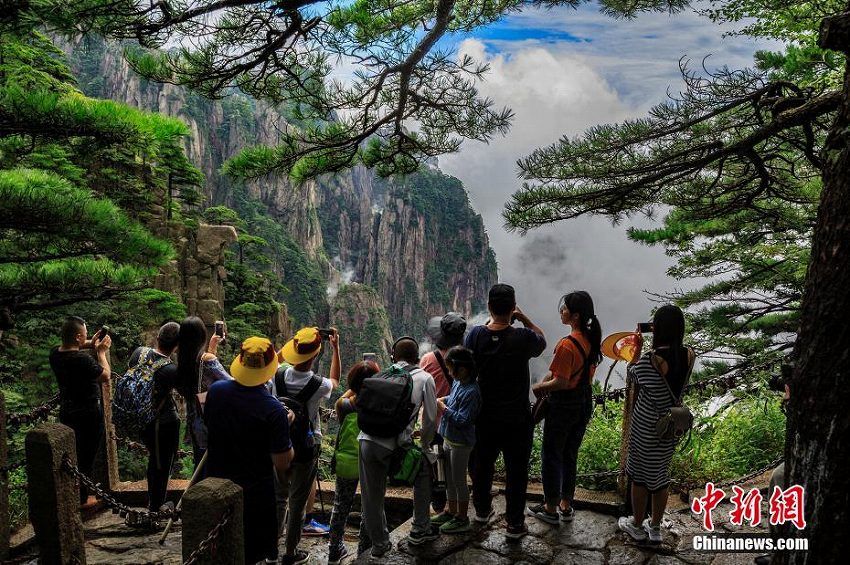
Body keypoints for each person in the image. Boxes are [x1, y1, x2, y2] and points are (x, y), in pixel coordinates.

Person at [465, 283, 546, 540]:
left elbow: (468, 364)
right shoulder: (522, 338)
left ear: (489, 307)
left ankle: (481, 511)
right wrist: (523, 319)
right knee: (517, 471)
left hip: (485, 417)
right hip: (517, 419)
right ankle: (514, 523)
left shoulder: (476, 335)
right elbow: (541, 339)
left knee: (482, 465)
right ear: (513, 308)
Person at [204, 336, 294, 565]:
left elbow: (211, 425)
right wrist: (286, 425)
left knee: (219, 550)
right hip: (254, 495)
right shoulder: (273, 411)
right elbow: (282, 462)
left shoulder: (216, 391)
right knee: (250, 554)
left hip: (216, 483)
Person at [618, 305, 695, 544]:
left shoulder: (650, 361)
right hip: (671, 425)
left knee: (640, 477)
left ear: (658, 329)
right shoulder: (689, 355)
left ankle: (637, 525)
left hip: (647, 426)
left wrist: (638, 350)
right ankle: (656, 527)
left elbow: (632, 375)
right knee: (660, 476)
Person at [358, 337, 438, 558]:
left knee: (371, 496)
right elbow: (430, 419)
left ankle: (379, 545)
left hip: (366, 439)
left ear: (393, 356)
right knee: (423, 472)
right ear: (417, 358)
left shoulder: (382, 374)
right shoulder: (425, 377)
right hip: (395, 445)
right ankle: (420, 529)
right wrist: (424, 446)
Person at [528, 291, 602, 525]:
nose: (561, 311)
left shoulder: (567, 344)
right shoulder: (590, 340)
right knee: (570, 453)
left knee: (551, 454)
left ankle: (550, 508)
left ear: (576, 316)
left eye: (565, 308)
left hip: (564, 404)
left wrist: (539, 386)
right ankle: (566, 504)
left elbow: (560, 381)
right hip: (584, 401)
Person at [273, 327, 340, 565]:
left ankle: (272, 552)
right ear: (314, 357)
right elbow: (336, 380)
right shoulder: (318, 384)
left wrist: (293, 345)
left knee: (279, 498)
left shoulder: (276, 375)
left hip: (279, 444)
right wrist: (335, 348)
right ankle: (291, 553)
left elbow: (273, 361)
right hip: (306, 447)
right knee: (297, 502)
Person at [49, 316, 112, 507]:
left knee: (72, 453)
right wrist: (101, 352)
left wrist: (90, 343)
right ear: (77, 337)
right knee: (86, 456)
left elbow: (72, 347)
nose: (86, 338)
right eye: (84, 335)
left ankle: (76, 493)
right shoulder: (83, 360)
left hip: (68, 410)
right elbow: (105, 376)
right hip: (88, 413)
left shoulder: (55, 355)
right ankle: (83, 498)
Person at [327, 360, 379, 564]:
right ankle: (364, 552)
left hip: (346, 462)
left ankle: (334, 550)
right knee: (369, 507)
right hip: (370, 462)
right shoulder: (377, 407)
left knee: (340, 505)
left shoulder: (345, 405)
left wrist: (355, 386)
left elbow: (342, 399)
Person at [127, 322, 181, 514]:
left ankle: (154, 501)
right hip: (162, 422)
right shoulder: (170, 370)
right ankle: (157, 506)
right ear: (176, 346)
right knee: (162, 464)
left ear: (157, 338)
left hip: (140, 418)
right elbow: (186, 389)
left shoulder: (139, 352)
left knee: (154, 460)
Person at [421, 312, 467, 512]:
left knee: (438, 468)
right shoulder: (469, 361)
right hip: (461, 423)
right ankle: (459, 507)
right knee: (458, 470)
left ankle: (440, 507)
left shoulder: (428, 360)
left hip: (437, 424)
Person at [433, 346, 481, 534]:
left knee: (459, 480)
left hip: (461, 443)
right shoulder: (459, 383)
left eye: (451, 369)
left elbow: (463, 420)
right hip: (449, 438)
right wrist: (444, 399)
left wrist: (442, 408)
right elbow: (453, 399)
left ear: (462, 369)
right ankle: (450, 510)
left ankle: (462, 516)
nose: (450, 373)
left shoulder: (472, 391)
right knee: (449, 480)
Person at [177, 316, 231, 475]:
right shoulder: (207, 359)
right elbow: (229, 382)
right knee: (214, 469)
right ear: (201, 335)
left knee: (200, 466)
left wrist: (212, 347)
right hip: (210, 422)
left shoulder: (183, 359)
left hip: (194, 422)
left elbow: (203, 377)